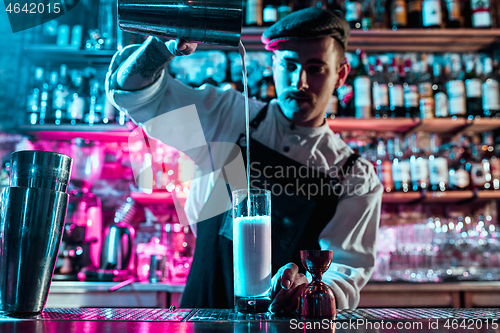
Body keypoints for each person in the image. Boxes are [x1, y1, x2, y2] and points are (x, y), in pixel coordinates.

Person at [106, 7, 383, 312]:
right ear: (272, 65)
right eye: (289, 65)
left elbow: (347, 270)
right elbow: (136, 96)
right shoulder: (229, 116)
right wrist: (159, 47)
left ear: (341, 74)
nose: (299, 82)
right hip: (202, 313)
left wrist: (312, 290)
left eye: (316, 68)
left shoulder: (355, 176)